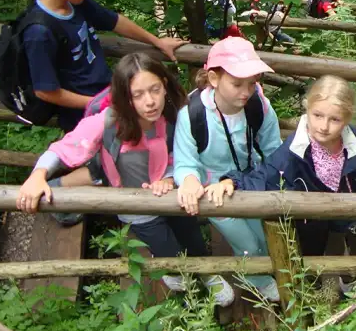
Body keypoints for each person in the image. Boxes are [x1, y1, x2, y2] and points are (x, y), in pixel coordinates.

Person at [15, 52, 234, 305]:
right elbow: (66, 147)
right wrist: (37, 175)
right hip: (134, 203)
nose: (150, 102)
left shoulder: (177, 112)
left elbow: (184, 152)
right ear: (124, 97)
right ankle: (180, 278)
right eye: (137, 95)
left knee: (193, 238)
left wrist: (170, 178)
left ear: (165, 84)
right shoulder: (109, 120)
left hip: (174, 191)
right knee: (167, 249)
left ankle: (206, 273)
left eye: (154, 89)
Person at [23, 0, 185, 133]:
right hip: (84, 119)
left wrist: (157, 42)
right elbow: (45, 91)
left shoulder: (75, 2)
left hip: (109, 101)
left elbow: (114, 21)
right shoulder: (39, 32)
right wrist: (98, 103)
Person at [173, 37, 283, 302]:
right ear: (213, 78)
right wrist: (189, 181)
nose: (245, 92)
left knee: (266, 237)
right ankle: (256, 279)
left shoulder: (260, 107)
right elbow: (186, 160)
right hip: (213, 190)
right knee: (246, 243)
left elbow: (274, 152)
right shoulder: (192, 114)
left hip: (251, 179)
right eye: (236, 83)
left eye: (252, 83)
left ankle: (265, 270)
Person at [255, 76, 356, 295]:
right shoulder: (292, 152)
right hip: (311, 221)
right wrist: (230, 181)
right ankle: (315, 288)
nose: (324, 126)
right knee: (316, 254)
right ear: (307, 108)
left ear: (347, 119)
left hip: (350, 212)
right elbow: (266, 175)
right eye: (317, 115)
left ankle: (350, 280)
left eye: (335, 119)